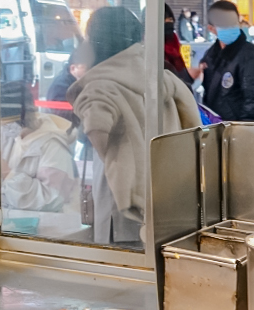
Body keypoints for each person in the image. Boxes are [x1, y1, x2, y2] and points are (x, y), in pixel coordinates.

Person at [67, 7, 199, 245]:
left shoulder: (102, 86)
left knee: (123, 275)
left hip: (122, 207)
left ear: (96, 41)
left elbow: (98, 134)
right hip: (164, 197)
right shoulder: (160, 75)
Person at [0, 81, 79, 213]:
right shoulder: (12, 138)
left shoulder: (53, 145)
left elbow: (52, 199)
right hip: (15, 222)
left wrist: (8, 175)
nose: (1, 128)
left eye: (4, 123)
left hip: (51, 227)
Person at [201, 1, 254, 121]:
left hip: (239, 132)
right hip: (217, 129)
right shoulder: (211, 56)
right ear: (211, 29)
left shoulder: (251, 57)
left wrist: (243, 133)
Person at [164, 4, 196, 87]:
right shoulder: (153, 48)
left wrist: (189, 76)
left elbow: (180, 71)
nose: (168, 23)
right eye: (164, 20)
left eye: (170, 20)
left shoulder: (174, 41)